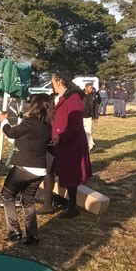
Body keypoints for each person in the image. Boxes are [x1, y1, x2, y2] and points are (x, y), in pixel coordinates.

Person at [0, 94, 54, 245]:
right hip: (40, 170)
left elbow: (11, 132)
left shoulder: (30, 122)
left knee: (7, 196)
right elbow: (25, 140)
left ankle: (14, 230)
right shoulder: (48, 126)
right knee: (28, 201)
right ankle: (32, 235)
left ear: (35, 106)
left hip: (24, 168)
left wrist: (4, 121)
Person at [48, 71, 92, 218]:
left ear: (60, 82)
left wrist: (61, 136)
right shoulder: (61, 97)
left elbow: (75, 123)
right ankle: (61, 200)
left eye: (53, 81)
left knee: (71, 174)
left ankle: (72, 207)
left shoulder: (72, 98)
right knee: (62, 172)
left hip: (71, 142)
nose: (52, 84)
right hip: (61, 141)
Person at [82, 83, 99, 151]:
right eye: (90, 88)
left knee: (88, 131)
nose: (91, 90)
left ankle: (90, 146)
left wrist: (95, 117)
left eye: (92, 88)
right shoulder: (81, 95)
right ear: (86, 88)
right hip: (81, 117)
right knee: (82, 132)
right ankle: (90, 144)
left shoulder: (93, 96)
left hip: (89, 117)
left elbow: (95, 107)